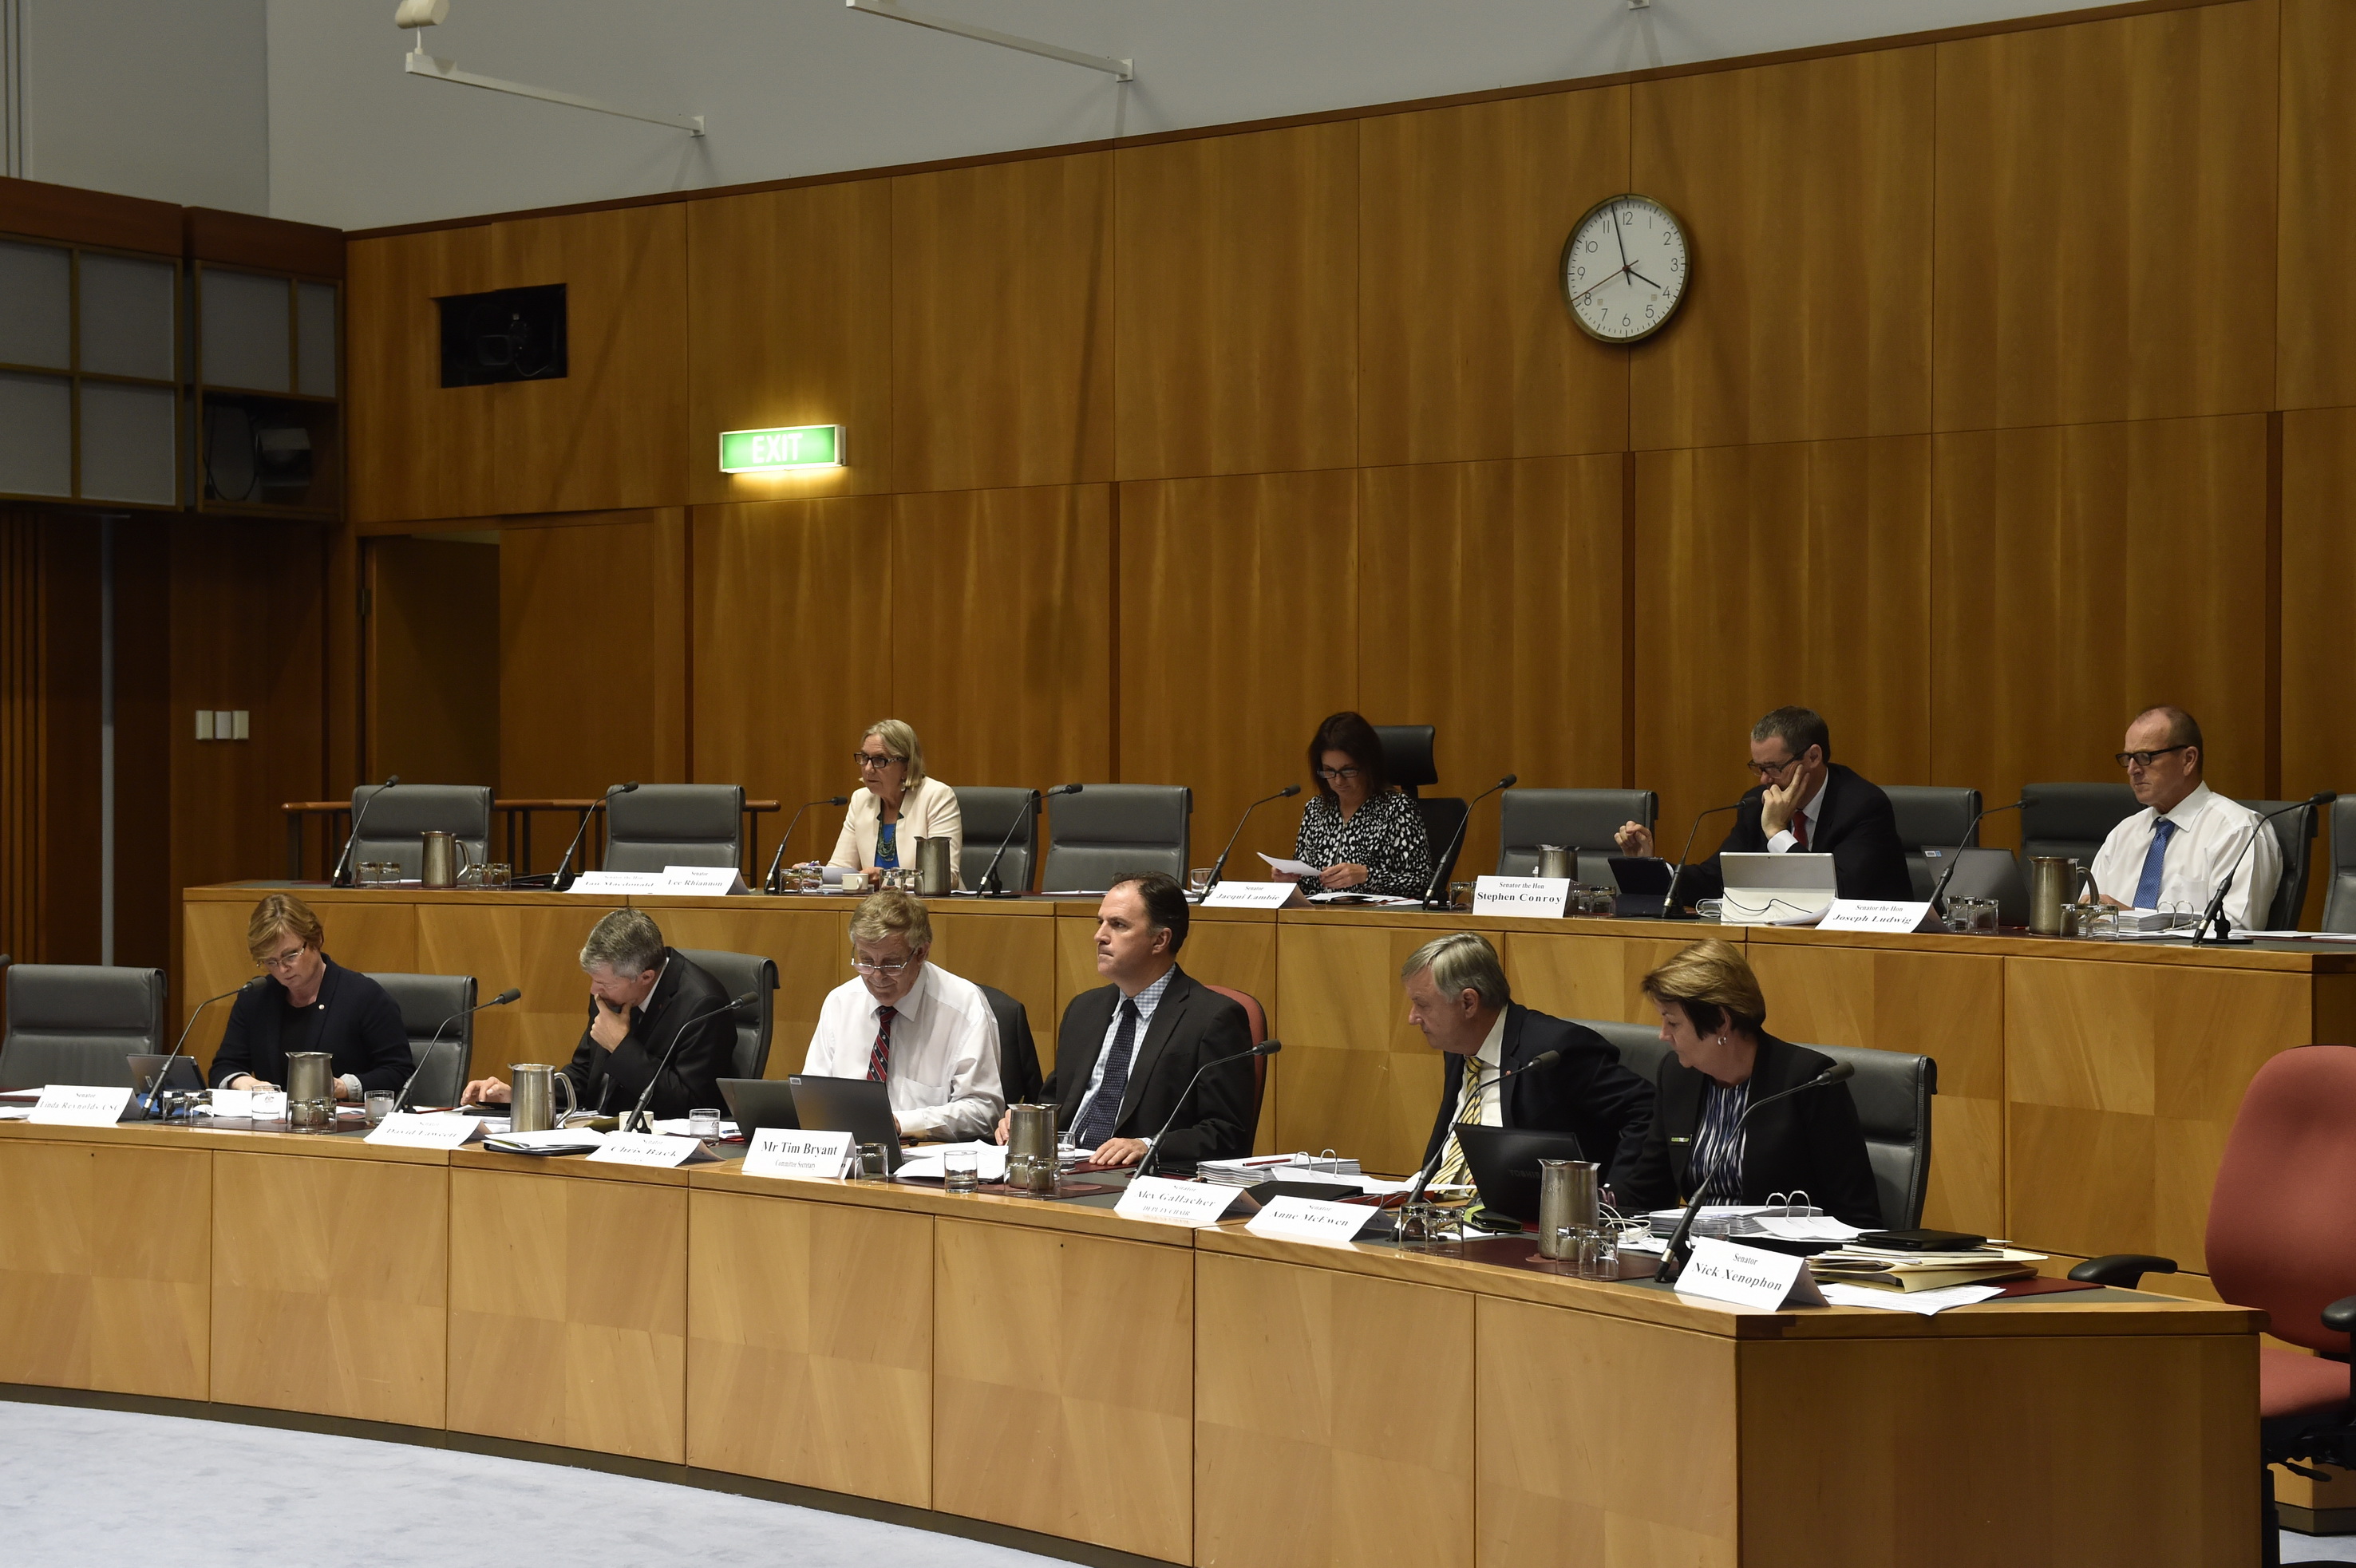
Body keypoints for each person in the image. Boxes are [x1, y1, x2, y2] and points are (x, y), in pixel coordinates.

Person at [1614, 939, 1880, 1228]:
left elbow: (1856, 1215)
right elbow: (1647, 1192)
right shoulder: (1678, 1075)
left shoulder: (1808, 1080)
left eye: (1673, 1023)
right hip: (1696, 1246)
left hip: (1780, 1251)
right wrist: (1594, 1204)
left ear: (1720, 1021)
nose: (1663, 1035)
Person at [994, 872, 1254, 1167]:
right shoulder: (1084, 1009)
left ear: (1160, 940)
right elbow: (1055, 1101)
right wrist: (1028, 1118)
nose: (1100, 936)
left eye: (1118, 925)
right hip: (1064, 1168)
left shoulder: (1212, 1018)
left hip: (1140, 1177)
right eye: (1100, 922)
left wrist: (1148, 1145)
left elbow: (1228, 1134)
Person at [1404, 932, 1654, 1189]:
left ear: (1468, 1003)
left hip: (1530, 1206)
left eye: (1422, 1005)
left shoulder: (1555, 1050)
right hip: (1440, 1199)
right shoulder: (1459, 1046)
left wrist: (1615, 1196)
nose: (1412, 1018)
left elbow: (1647, 1109)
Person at [1614, 705, 1911, 903]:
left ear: (1813, 757)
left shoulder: (1863, 806)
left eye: (1773, 768)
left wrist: (1777, 833)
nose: (1765, 780)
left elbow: (1838, 892)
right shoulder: (1757, 803)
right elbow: (1716, 879)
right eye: (1758, 768)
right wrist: (1646, 866)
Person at [461, 908, 733, 1122]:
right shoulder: (610, 993)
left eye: (604, 984)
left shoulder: (702, 1005)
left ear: (646, 977)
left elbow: (691, 1106)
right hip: (599, 1133)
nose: (594, 991)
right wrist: (521, 1097)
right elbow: (583, 1076)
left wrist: (621, 1047)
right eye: (593, 980)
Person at [802, 889, 1005, 1140]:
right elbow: (812, 1097)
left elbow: (984, 1111)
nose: (877, 976)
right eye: (866, 961)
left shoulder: (964, 1007)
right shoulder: (840, 1002)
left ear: (921, 953)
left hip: (928, 1156)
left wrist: (903, 1123)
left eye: (891, 964)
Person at [2090, 705, 2280, 931]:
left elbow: (2234, 928)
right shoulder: (2123, 834)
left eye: (2144, 757)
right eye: (2128, 758)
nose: (2132, 769)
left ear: (2188, 759)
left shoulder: (2237, 830)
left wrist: (2135, 919)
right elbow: (2089, 917)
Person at [211, 892, 413, 1099]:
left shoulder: (364, 997)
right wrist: (244, 1083)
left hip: (343, 1115)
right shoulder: (255, 998)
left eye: (290, 955)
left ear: (316, 940)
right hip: (272, 1117)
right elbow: (224, 1067)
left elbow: (399, 1072)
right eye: (271, 961)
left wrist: (342, 1087)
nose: (282, 969)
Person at [1291, 710, 1433, 899]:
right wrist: (1290, 880)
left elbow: (1423, 883)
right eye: (1329, 771)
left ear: (1368, 765)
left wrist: (1367, 876)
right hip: (1322, 914)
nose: (1338, 781)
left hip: (1375, 915)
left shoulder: (1397, 809)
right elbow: (1308, 885)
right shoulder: (1316, 809)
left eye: (1348, 770)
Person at [827, 719, 963, 890]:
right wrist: (813, 875)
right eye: (865, 758)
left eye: (880, 760)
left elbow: (945, 877)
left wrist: (887, 878)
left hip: (926, 903)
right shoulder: (861, 799)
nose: (868, 769)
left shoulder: (936, 796)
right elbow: (841, 867)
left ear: (907, 766)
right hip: (875, 905)